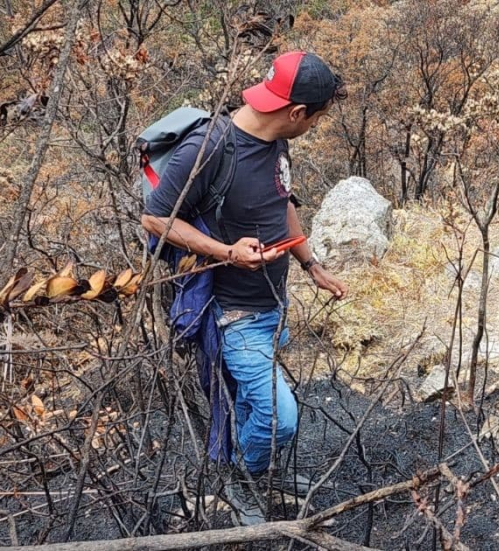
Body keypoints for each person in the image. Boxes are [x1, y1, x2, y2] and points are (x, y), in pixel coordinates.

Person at [141, 51, 348, 523]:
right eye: (315, 119)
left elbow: (283, 200)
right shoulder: (211, 147)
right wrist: (225, 251)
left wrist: (310, 263)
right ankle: (243, 477)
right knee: (280, 417)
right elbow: (154, 216)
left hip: (271, 305)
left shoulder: (276, 139)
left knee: (252, 402)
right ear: (297, 113)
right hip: (234, 314)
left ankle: (253, 471)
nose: (314, 126)